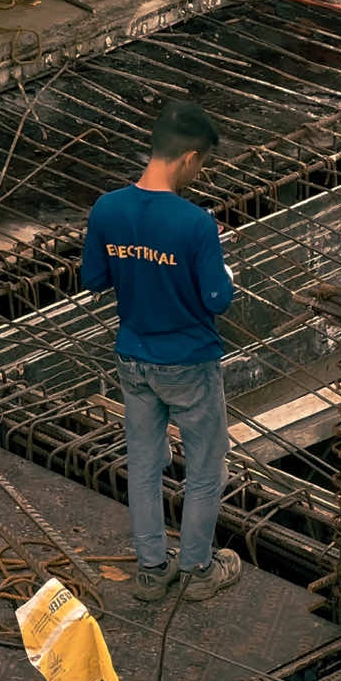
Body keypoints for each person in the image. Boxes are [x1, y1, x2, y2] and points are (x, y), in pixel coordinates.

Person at [80, 99, 240, 604]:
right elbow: (217, 299)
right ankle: (196, 569)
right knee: (205, 468)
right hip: (188, 361)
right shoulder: (195, 224)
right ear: (190, 158)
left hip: (133, 357)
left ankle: (151, 569)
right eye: (203, 165)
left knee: (145, 465)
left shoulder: (107, 208)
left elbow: (95, 279)